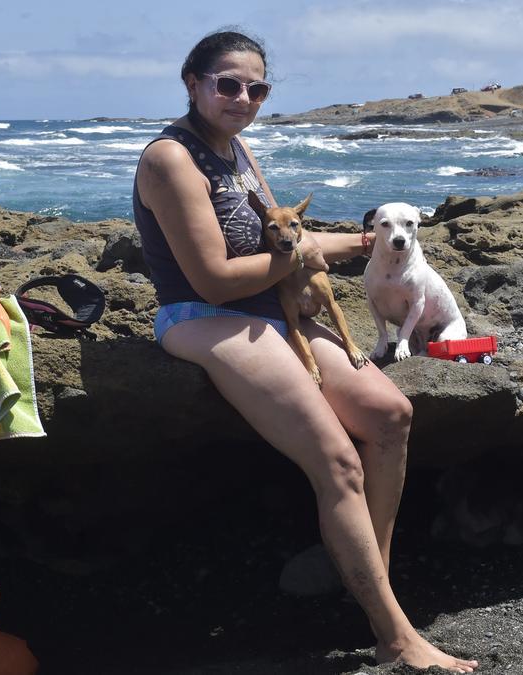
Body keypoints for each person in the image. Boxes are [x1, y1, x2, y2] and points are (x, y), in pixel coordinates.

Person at [132, 29, 478, 674]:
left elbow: (282, 237)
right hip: (203, 314)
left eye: (256, 87)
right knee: (338, 461)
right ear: (192, 84)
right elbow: (211, 278)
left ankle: (368, 576)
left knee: (389, 415)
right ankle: (394, 634)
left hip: (269, 309)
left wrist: (352, 242)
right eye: (227, 84)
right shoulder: (170, 160)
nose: (243, 97)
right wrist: (314, 253)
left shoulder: (236, 149)